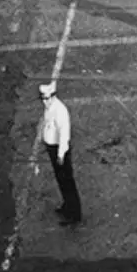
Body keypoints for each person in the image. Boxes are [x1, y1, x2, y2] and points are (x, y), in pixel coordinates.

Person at [38, 83, 81, 225]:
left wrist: (61, 154)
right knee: (61, 180)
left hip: (59, 150)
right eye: (43, 98)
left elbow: (64, 134)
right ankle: (67, 206)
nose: (45, 101)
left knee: (67, 181)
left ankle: (74, 214)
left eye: (47, 98)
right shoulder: (50, 107)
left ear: (53, 96)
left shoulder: (60, 110)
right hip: (52, 148)